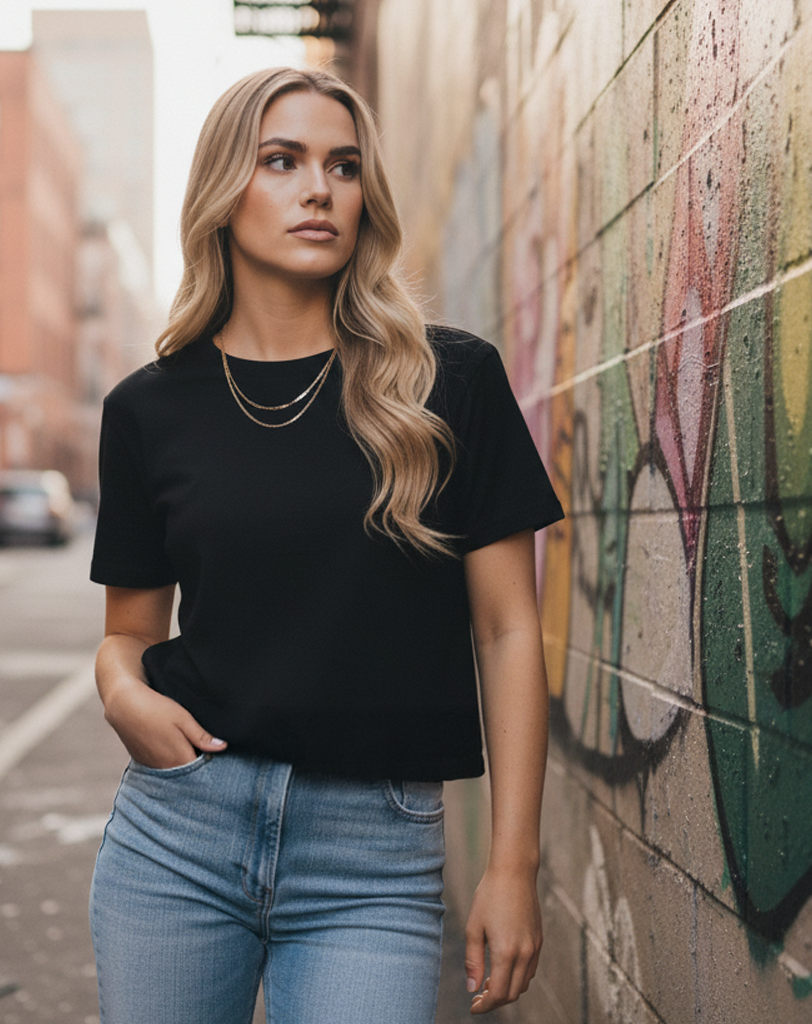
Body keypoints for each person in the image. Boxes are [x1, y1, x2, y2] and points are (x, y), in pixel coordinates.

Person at [88, 66, 563, 1024]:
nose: (320, 188)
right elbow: (129, 632)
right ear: (225, 192)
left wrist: (512, 865)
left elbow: (511, 632)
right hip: (178, 835)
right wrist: (122, 697)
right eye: (282, 160)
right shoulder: (148, 408)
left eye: (343, 166)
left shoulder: (449, 382)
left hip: (371, 856)